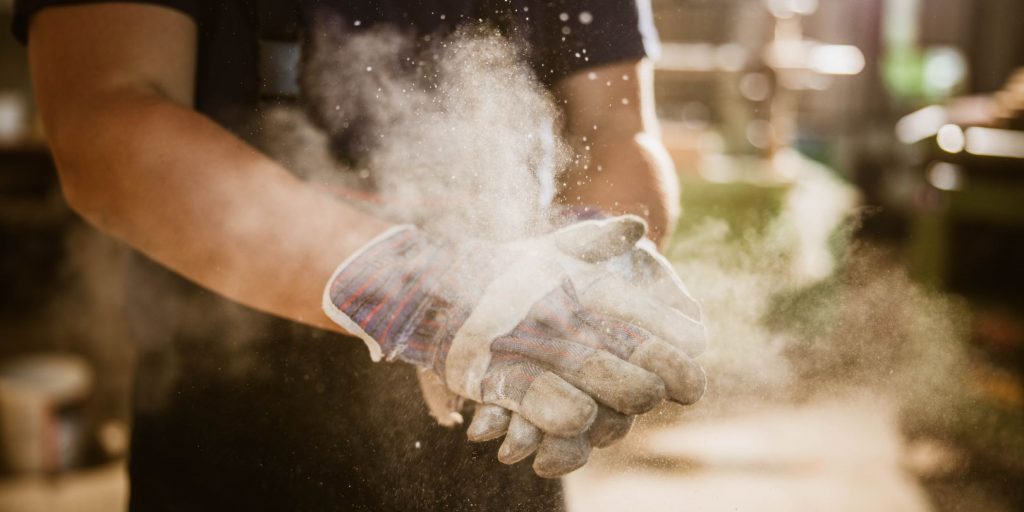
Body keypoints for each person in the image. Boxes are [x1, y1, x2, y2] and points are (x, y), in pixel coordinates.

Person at [12, 1, 706, 510]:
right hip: (237, 427)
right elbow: (103, 115)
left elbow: (616, 130)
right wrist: (419, 296)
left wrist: (580, 269)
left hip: (505, 407)